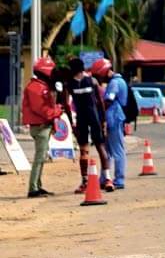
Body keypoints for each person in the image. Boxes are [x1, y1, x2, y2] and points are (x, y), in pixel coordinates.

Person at [66, 57, 111, 192]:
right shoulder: (92, 81)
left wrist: (71, 123)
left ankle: (85, 182)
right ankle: (108, 179)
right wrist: (103, 120)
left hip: (81, 119)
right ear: (83, 68)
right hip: (94, 117)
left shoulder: (69, 84)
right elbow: (100, 102)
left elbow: (67, 106)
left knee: (83, 149)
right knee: (100, 147)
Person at [21, 57, 62, 198]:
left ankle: (37, 186)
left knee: (42, 157)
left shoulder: (41, 86)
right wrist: (58, 111)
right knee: (39, 158)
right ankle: (33, 188)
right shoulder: (35, 88)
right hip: (40, 127)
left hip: (43, 126)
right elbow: (42, 110)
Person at [95, 57, 130, 192]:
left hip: (114, 117)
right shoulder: (119, 81)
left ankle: (119, 179)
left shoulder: (115, 82)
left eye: (100, 75)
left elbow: (108, 100)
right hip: (113, 117)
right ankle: (104, 178)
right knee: (108, 150)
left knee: (117, 150)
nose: (100, 79)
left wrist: (99, 110)